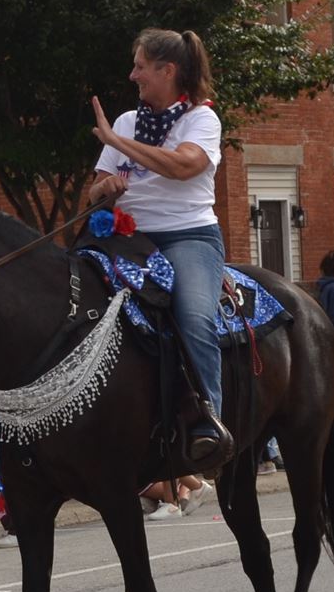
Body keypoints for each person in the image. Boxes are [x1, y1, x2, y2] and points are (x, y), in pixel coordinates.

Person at [85, 28, 232, 463]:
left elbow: (185, 166)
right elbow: (92, 192)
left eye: (141, 66)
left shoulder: (201, 120)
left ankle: (211, 423)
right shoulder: (128, 122)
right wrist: (104, 188)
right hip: (129, 238)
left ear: (167, 71)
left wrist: (117, 143)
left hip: (188, 236)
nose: (133, 75)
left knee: (194, 316)